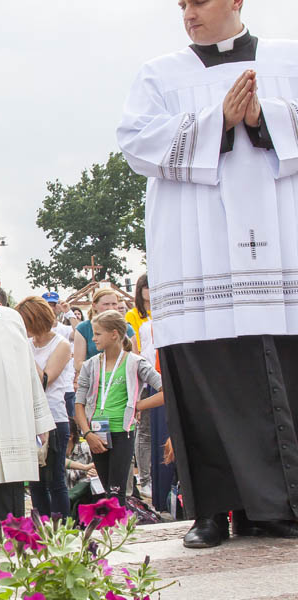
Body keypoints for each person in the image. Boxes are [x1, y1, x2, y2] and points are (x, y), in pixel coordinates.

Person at [118, 0, 298, 546]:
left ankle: (276, 508)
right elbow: (135, 142)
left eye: (198, 1)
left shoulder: (289, 59)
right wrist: (217, 121)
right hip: (197, 257)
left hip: (280, 253)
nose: (188, 13)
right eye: (182, 4)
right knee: (203, 377)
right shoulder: (159, 74)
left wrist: (265, 119)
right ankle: (212, 512)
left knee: (280, 370)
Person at [0, 258, 54, 539]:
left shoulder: (12, 318)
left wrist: (40, 420)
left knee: (11, 511)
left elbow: (29, 372)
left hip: (13, 425)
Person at [74, 311, 164, 506]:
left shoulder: (135, 363)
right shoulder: (90, 365)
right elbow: (79, 404)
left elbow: (165, 392)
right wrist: (87, 433)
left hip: (123, 432)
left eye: (98, 334)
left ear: (114, 334)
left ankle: (118, 524)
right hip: (96, 433)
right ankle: (112, 523)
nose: (93, 338)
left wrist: (138, 405)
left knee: (117, 491)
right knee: (106, 490)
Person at [17, 296, 73, 517]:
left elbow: (44, 380)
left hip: (54, 417)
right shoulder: (28, 344)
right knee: (35, 481)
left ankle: (61, 526)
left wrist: (24, 353)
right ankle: (41, 526)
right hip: (29, 418)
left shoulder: (61, 345)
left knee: (55, 479)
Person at [125, 274, 154, 497]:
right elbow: (135, 348)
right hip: (144, 374)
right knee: (144, 431)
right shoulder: (133, 316)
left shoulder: (160, 312)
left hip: (158, 372)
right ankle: (145, 478)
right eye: (147, 286)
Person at [73, 288, 136, 384]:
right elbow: (78, 364)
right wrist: (107, 368)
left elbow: (135, 361)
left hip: (121, 382)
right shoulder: (83, 328)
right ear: (94, 306)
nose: (111, 307)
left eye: (114, 304)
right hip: (93, 382)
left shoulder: (127, 328)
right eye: (106, 304)